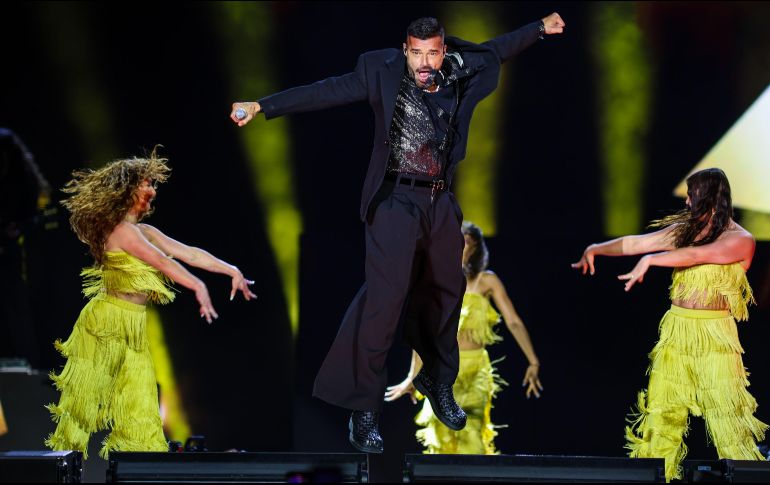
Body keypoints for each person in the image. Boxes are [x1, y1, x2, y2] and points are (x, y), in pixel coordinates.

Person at [231, 13, 564, 453]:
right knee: (384, 304)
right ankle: (363, 411)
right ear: (405, 50)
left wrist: (539, 29)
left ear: (443, 51)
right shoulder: (380, 70)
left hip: (439, 199)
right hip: (394, 200)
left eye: (432, 53)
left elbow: (497, 48)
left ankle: (435, 378)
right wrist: (263, 105)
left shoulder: (461, 67)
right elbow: (327, 90)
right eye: (416, 53)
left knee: (449, 288)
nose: (424, 62)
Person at [45, 149, 256, 459]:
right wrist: (197, 285)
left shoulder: (145, 231)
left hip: (133, 325)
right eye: (147, 183)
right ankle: (60, 472)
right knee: (82, 407)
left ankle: (144, 472)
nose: (153, 190)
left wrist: (231, 270)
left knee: (141, 407)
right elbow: (160, 261)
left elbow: (189, 253)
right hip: (104, 323)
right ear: (129, 188)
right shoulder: (121, 231)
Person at [572, 168, 768, 482]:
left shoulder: (740, 240)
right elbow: (636, 243)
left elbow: (697, 256)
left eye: (692, 194)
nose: (687, 200)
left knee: (729, 422)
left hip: (715, 339)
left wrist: (653, 260)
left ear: (707, 197)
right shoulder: (685, 229)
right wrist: (596, 248)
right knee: (663, 416)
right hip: (676, 332)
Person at [385, 221, 542, 454]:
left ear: (475, 247)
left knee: (473, 434)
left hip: (475, 369)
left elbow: (513, 321)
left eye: (466, 242)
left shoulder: (487, 281)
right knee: (443, 438)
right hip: (442, 369)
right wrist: (412, 376)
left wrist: (533, 360)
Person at [0, 127, 51, 368]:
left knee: (17, 308)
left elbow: (37, 215)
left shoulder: (22, 179)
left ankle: (28, 363)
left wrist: (17, 228)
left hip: (12, 252)